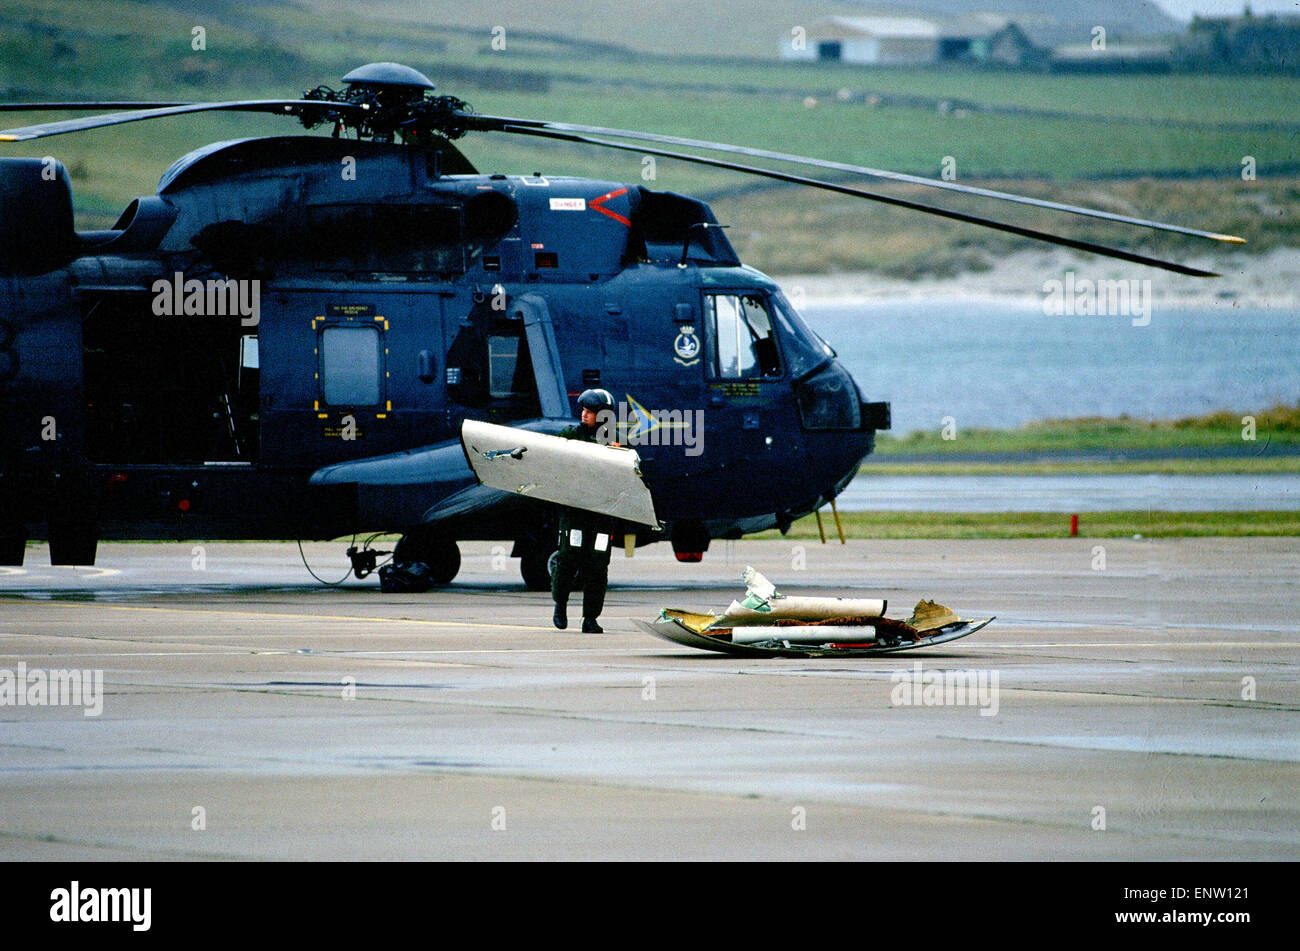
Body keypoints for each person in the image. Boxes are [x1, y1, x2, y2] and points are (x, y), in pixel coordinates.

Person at [552, 388, 617, 634]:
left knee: (598, 566)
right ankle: (560, 605)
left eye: (590, 411)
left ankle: (590, 618)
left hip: (601, 516)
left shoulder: (617, 440)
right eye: (583, 410)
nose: (584, 415)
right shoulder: (570, 436)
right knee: (568, 558)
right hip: (575, 512)